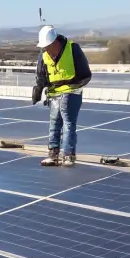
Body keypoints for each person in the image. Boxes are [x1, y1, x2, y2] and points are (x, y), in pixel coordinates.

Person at [32, 25, 92, 166]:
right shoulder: (44, 54)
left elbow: (85, 73)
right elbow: (41, 75)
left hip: (71, 91)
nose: (46, 49)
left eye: (48, 46)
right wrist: (38, 89)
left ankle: (68, 155)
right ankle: (53, 154)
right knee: (54, 123)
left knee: (68, 123)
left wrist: (75, 84)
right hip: (54, 93)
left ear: (55, 42)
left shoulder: (72, 49)